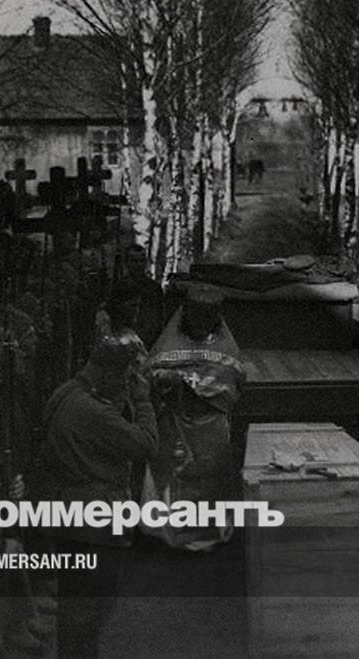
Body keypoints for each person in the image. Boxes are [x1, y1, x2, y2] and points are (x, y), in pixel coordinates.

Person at [35, 331, 159, 658]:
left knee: (76, 606)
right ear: (110, 373)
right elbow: (146, 445)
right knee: (90, 608)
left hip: (70, 511)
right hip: (93, 520)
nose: (128, 385)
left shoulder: (67, 393)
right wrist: (142, 402)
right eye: (126, 378)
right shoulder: (93, 411)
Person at [145, 284, 246, 551]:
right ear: (186, 314)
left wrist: (188, 383)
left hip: (210, 424)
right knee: (173, 474)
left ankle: (208, 532)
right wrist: (163, 380)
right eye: (197, 317)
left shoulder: (225, 347)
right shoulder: (168, 344)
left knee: (211, 476)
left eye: (208, 318)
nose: (201, 326)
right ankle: (170, 531)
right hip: (174, 421)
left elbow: (232, 380)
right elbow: (149, 374)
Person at [124, 244, 166, 349]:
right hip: (124, 345)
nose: (138, 265)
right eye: (134, 261)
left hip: (149, 345)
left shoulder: (154, 288)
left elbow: (159, 318)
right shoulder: (119, 288)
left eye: (141, 261)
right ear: (127, 263)